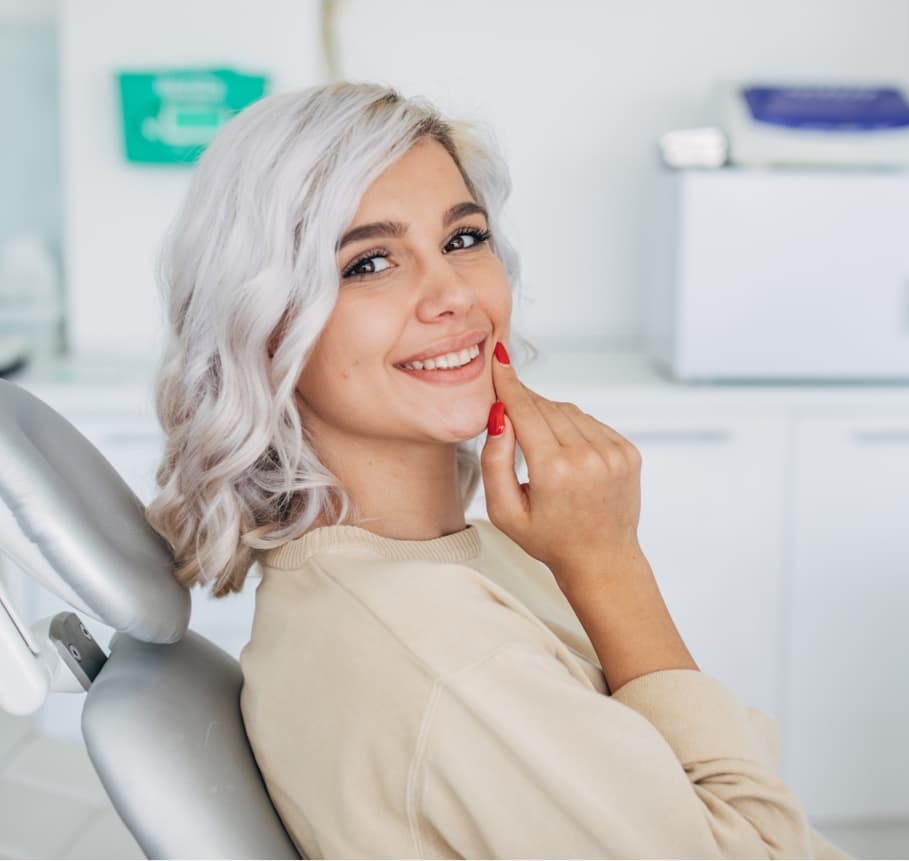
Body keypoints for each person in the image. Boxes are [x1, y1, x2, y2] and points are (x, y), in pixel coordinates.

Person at [146, 81, 849, 859]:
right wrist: (613, 566)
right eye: (369, 262)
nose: (453, 294)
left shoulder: (452, 564)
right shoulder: (439, 651)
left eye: (463, 239)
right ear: (264, 325)